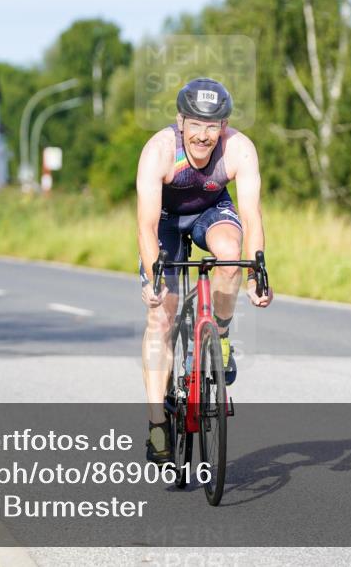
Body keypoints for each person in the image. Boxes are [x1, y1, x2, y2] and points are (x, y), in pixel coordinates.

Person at [136, 77, 273, 464]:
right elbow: (145, 223)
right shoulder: (159, 151)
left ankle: (222, 337)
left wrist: (256, 273)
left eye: (212, 126)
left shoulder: (239, 150)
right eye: (195, 124)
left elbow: (251, 214)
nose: (203, 135)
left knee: (230, 253)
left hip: (211, 211)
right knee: (161, 318)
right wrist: (153, 277)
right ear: (181, 122)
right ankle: (158, 424)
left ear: (224, 126)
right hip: (165, 219)